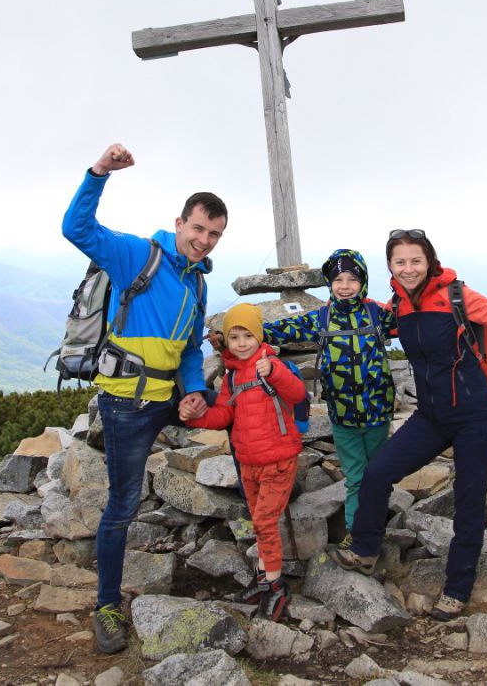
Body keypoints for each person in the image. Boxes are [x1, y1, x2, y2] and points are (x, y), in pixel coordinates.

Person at [331, 229, 487, 621]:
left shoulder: (456, 295)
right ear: (390, 266)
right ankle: (365, 551)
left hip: (474, 417)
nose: (408, 268)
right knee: (377, 472)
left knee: (467, 502)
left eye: (415, 261)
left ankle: (457, 589)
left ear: (429, 261)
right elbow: (363, 317)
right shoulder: (399, 305)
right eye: (400, 262)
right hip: (431, 417)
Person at [61, 142, 227, 653]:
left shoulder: (197, 283)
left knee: (239, 417)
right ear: (179, 223)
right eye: (198, 229)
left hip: (168, 399)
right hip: (126, 405)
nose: (203, 241)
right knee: (123, 505)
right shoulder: (138, 254)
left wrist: (194, 391)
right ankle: (107, 605)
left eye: (214, 235)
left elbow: (191, 349)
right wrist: (99, 172)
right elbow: (76, 229)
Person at [179, 303, 307, 622]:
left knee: (263, 522)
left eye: (247, 335)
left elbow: (297, 394)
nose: (241, 343)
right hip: (248, 462)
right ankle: (265, 580)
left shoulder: (272, 365)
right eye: (234, 337)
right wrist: (196, 418)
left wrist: (274, 372)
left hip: (278, 459)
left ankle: (275, 588)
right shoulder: (232, 376)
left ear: (258, 336)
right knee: (259, 521)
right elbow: (224, 415)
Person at [261, 249, 396, 543]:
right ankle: (357, 534)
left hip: (378, 413)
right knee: (356, 477)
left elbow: (412, 321)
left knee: (379, 475)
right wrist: (242, 332)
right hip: (343, 417)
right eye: (338, 280)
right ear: (329, 283)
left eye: (352, 279)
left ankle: (376, 526)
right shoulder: (322, 318)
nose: (345, 286)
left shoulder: (377, 314)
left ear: (363, 282)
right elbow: (283, 330)